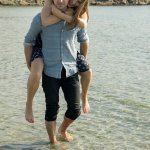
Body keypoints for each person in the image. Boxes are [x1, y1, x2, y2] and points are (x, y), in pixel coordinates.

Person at [24, 0, 90, 144]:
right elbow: (28, 40)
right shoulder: (41, 19)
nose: (60, 0)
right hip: (49, 70)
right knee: (51, 109)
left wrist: (82, 61)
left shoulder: (77, 19)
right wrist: (30, 65)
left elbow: (84, 40)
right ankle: (53, 142)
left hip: (71, 69)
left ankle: (62, 130)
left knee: (75, 110)